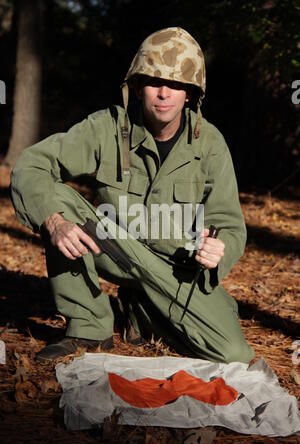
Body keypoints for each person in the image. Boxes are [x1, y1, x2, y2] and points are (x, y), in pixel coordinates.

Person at [10, 27, 254, 364]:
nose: (165, 93)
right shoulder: (107, 128)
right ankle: (89, 324)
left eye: (177, 83)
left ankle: (141, 310)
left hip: (176, 268)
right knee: (58, 201)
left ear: (191, 93)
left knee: (233, 353)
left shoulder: (210, 145)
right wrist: (53, 222)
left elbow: (230, 225)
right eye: (155, 81)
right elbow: (32, 164)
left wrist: (219, 251)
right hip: (113, 246)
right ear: (137, 87)